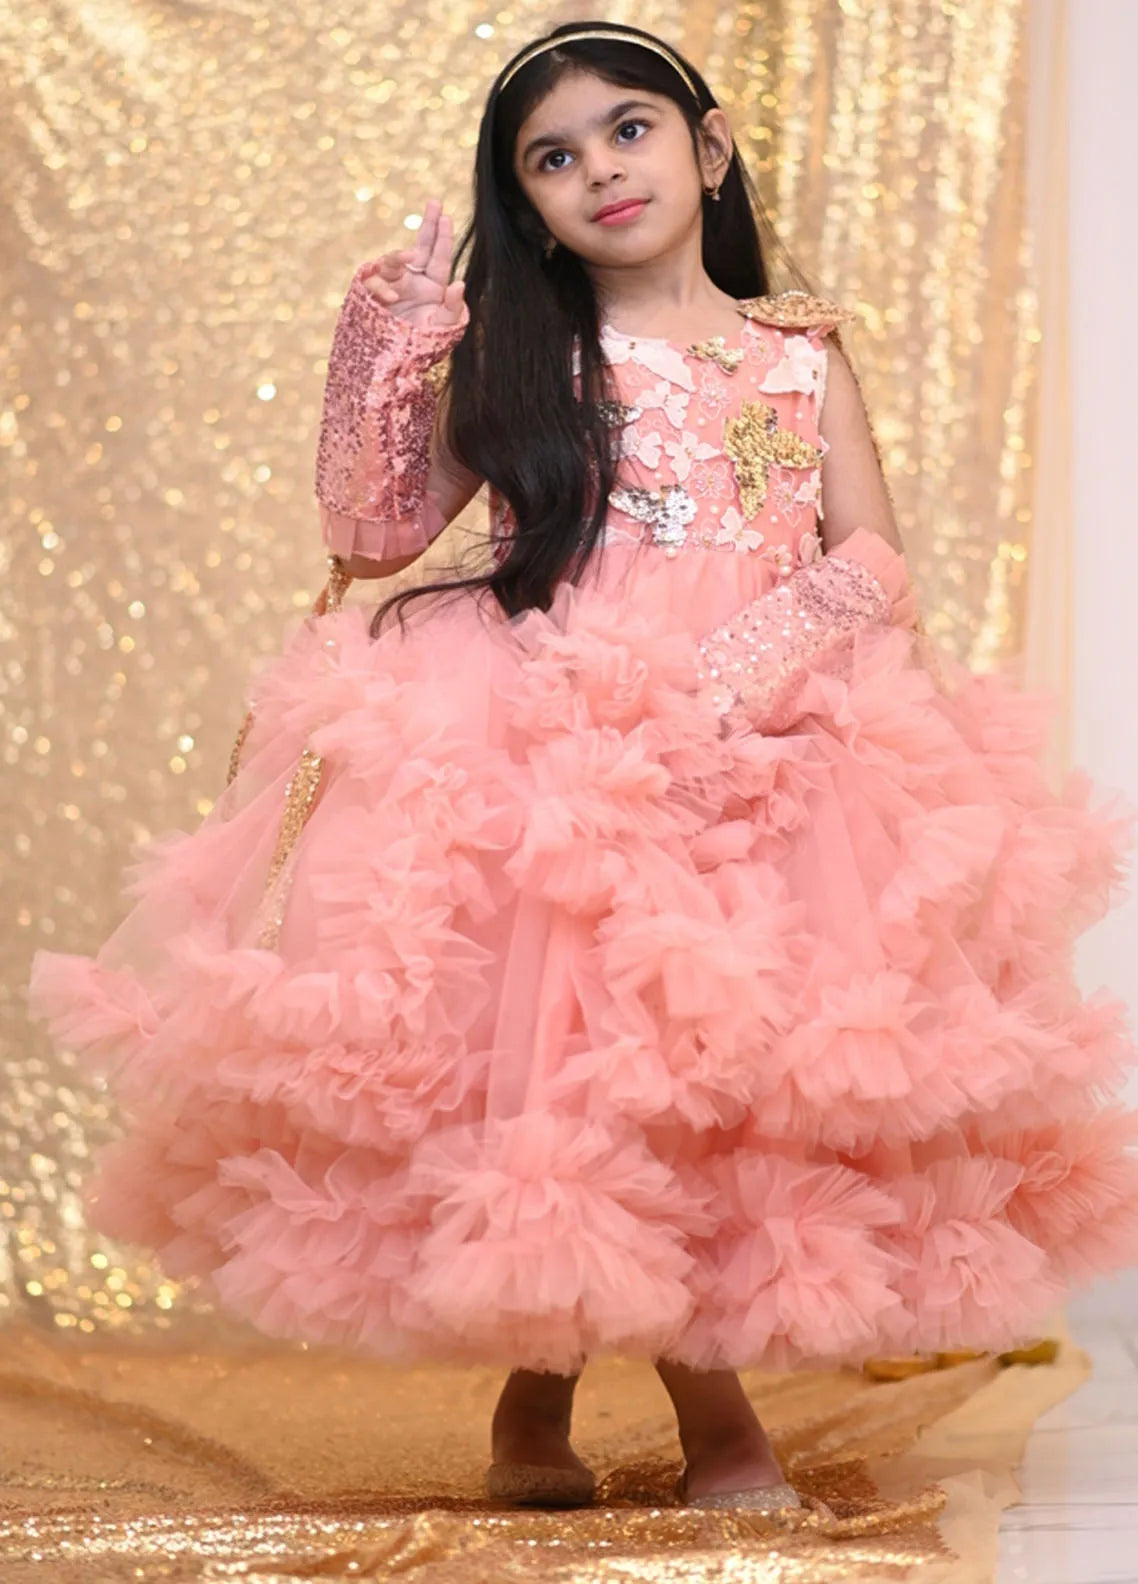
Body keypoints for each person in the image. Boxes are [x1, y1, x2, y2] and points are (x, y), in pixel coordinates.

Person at [27, 19, 1138, 1517]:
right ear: (530, 209)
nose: (599, 169)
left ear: (708, 147)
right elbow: (371, 538)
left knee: (705, 1078)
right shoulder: (529, 362)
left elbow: (872, 557)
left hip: (760, 737)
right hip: (558, 748)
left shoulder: (795, 349)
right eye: (552, 159)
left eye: (628, 130)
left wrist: (727, 681)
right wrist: (380, 358)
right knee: (572, 1064)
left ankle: (539, 1389)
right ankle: (708, 1422)